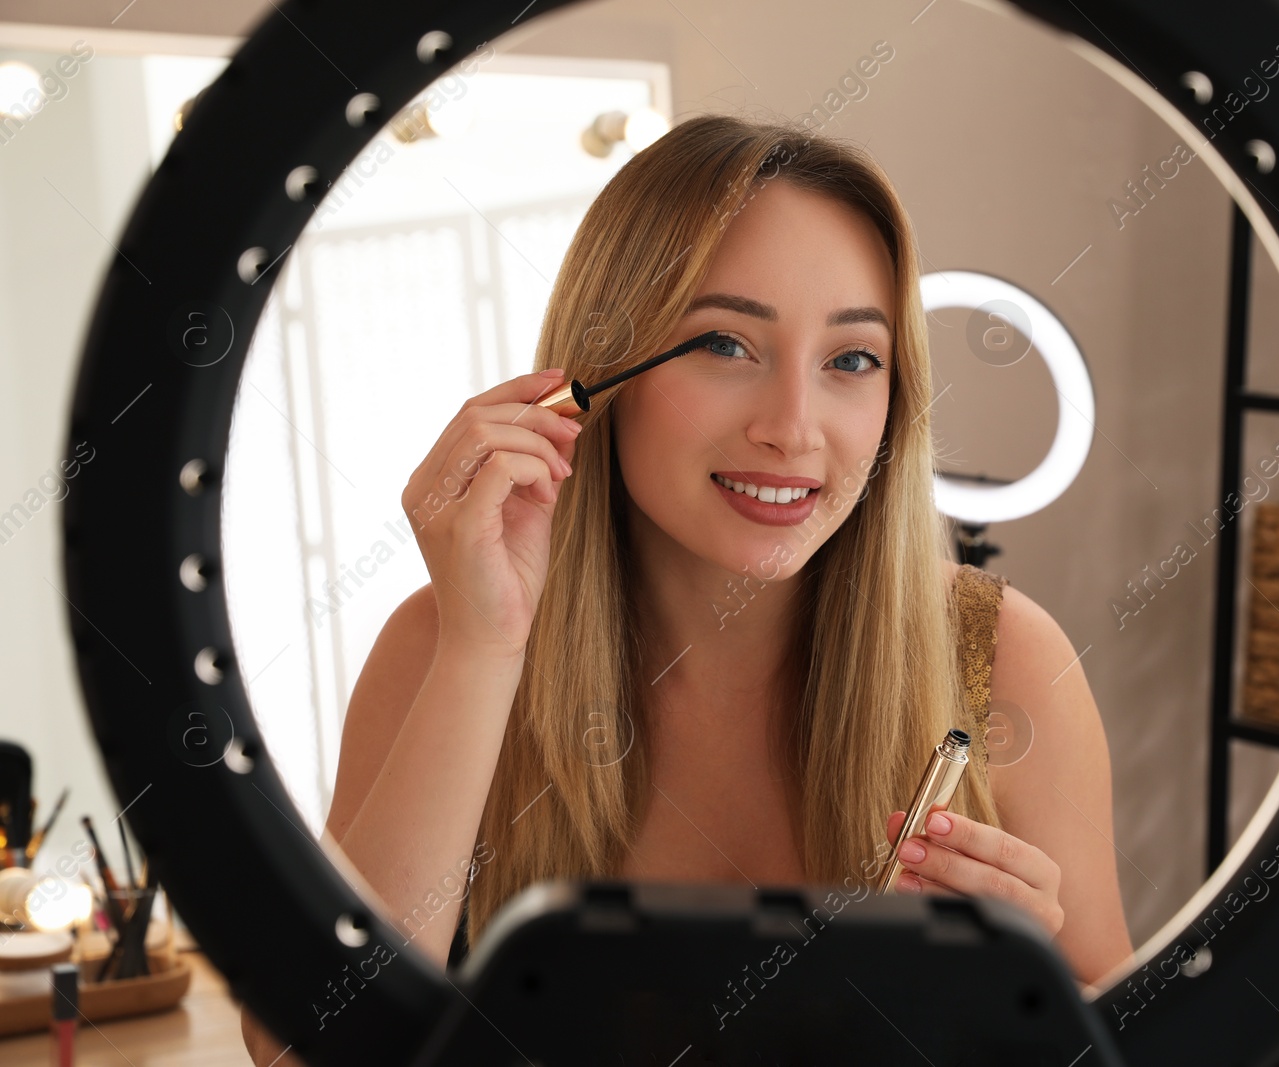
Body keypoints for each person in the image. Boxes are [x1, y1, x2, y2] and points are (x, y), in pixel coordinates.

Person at [242, 112, 1132, 1065]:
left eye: (851, 360)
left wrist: (1027, 999)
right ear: (593, 376)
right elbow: (310, 1047)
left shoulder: (1003, 659)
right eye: (724, 345)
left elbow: (1131, 1041)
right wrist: (481, 650)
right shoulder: (441, 643)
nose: (793, 429)